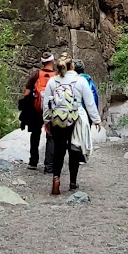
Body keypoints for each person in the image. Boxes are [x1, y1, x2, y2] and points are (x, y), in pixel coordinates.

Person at [42, 56, 100, 196]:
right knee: (74, 149)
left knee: (59, 150)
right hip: (76, 118)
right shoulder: (80, 81)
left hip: (57, 119)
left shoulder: (52, 81)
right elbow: (89, 102)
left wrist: (46, 120)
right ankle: (73, 182)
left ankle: (56, 179)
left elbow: (46, 103)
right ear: (72, 66)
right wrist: (96, 120)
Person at [18, 51, 57, 170]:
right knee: (51, 136)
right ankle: (48, 164)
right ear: (52, 61)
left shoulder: (36, 75)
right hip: (51, 109)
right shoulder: (56, 76)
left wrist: (24, 108)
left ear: (42, 62)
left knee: (35, 134)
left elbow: (27, 91)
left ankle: (33, 162)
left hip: (36, 109)